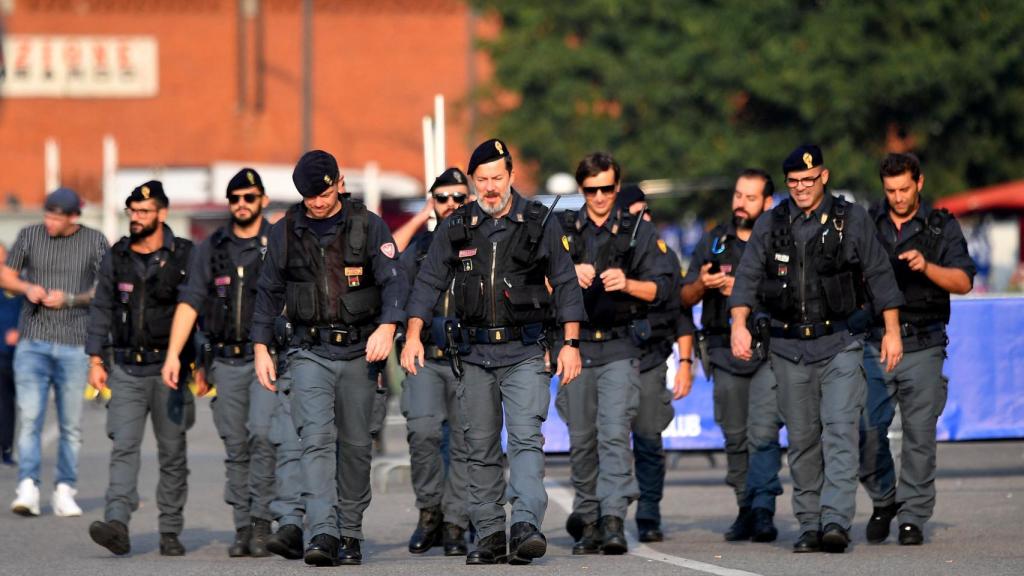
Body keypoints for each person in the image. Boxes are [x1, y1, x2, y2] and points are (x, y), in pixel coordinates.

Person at [401, 138, 584, 565]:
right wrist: (412, 335)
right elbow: (427, 282)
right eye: (480, 180)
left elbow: (566, 282)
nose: (489, 187)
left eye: (496, 178)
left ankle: (525, 525)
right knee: (478, 446)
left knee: (524, 440)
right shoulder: (457, 225)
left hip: (524, 351)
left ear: (511, 177)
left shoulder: (539, 222)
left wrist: (570, 343)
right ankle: (488, 533)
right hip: (475, 354)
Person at [729, 145, 904, 554]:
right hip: (788, 348)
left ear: (824, 177)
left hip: (840, 343)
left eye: (809, 180)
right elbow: (748, 277)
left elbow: (880, 275)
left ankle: (835, 522)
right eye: (794, 183)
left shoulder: (851, 219)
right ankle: (809, 523)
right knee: (804, 440)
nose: (802, 188)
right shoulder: (771, 223)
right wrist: (739, 323)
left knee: (840, 432)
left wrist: (892, 331)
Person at [251, 150, 408, 566]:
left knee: (356, 446)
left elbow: (395, 283)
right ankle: (322, 531)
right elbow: (267, 292)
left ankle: (350, 530)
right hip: (309, 352)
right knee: (315, 441)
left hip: (360, 351)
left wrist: (387, 327)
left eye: (322, 193)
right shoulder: (285, 232)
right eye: (308, 196)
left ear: (339, 182)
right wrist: (261, 347)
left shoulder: (369, 226)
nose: (317, 203)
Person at [556, 154, 672, 555]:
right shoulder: (564, 229)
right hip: (578, 346)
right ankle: (587, 519)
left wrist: (628, 283)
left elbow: (663, 289)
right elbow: (532, 281)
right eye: (592, 190)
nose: (600, 197)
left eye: (607, 188)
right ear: (581, 190)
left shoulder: (638, 231)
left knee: (613, 435)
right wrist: (568, 274)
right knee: (582, 438)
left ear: (617, 188)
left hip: (622, 345)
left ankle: (612, 519)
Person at [858, 153, 974, 546]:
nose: (898, 197)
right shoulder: (867, 223)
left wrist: (926, 267)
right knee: (863, 428)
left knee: (919, 436)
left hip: (923, 342)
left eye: (905, 189)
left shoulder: (941, 227)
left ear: (919, 184)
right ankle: (885, 498)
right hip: (874, 341)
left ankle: (912, 515)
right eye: (891, 190)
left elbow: (962, 281)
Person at [160, 168, 277, 557]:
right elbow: (191, 301)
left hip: (267, 358)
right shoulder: (211, 247)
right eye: (234, 198)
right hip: (225, 360)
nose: (241, 204)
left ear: (262, 199)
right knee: (237, 443)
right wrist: (175, 354)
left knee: (263, 434)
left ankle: (263, 521)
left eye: (248, 196)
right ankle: (242, 526)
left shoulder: (277, 242)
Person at [86, 181, 195, 556]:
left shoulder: (184, 255)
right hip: (126, 370)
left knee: (173, 453)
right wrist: (96, 359)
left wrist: (199, 362)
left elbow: (197, 309)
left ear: (162, 214)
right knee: (123, 448)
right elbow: (101, 307)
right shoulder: (116, 256)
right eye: (132, 211)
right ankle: (116, 523)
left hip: (170, 371)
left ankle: (170, 530)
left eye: (143, 211)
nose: (135, 218)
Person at [681, 169, 784, 542]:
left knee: (764, 433)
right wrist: (704, 284)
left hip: (768, 348)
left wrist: (742, 291)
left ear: (767, 202)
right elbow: (685, 295)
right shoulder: (715, 240)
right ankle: (745, 505)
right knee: (735, 435)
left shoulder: (779, 238)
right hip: (723, 349)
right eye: (738, 195)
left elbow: (787, 293)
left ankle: (763, 509)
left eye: (750, 197)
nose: (740, 203)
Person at [1, 188, 108, 517]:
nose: (48, 222)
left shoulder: (95, 241)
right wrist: (27, 288)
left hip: (75, 344)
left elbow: (105, 288)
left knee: (70, 425)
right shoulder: (30, 235)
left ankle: (64, 488)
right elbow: (6, 274)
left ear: (73, 217)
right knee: (31, 417)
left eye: (55, 217)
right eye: (46, 215)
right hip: (33, 341)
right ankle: (28, 487)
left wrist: (71, 299)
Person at [398, 167, 473, 556]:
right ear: (433, 202)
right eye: (442, 198)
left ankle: (456, 522)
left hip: (470, 358)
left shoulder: (485, 241)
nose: (451, 205)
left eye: (459, 197)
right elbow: (389, 257)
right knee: (424, 433)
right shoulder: (420, 248)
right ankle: (430, 513)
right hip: (426, 354)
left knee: (464, 441)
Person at [615, 186, 696, 543]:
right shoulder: (608, 247)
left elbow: (679, 311)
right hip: (610, 357)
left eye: (646, 211)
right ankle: (606, 512)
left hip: (650, 358)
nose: (643, 218)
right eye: (635, 212)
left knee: (648, 439)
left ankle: (649, 511)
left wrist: (685, 361)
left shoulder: (662, 254)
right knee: (608, 441)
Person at [0, 243, 22, 466]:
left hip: (14, 354)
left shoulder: (18, 285)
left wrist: (21, 330)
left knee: (9, 404)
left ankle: (6, 449)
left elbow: (31, 311)